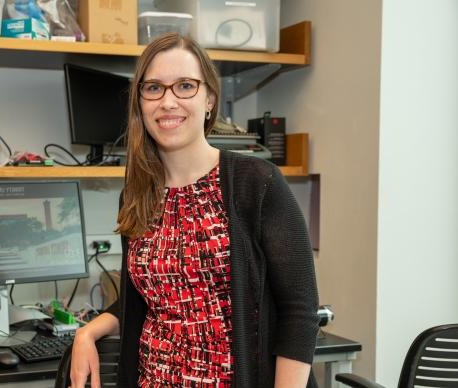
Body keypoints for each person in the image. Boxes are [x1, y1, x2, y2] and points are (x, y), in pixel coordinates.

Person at [69, 32, 319, 388]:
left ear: (209, 100)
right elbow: (145, 300)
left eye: (184, 86)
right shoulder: (137, 195)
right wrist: (87, 332)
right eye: (153, 88)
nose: (168, 101)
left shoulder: (256, 182)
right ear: (140, 102)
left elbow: (300, 312)